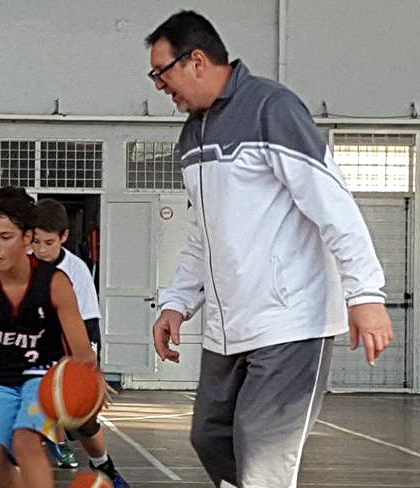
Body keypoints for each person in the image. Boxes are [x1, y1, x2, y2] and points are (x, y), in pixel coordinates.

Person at [146, 10, 393, 488]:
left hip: (289, 321)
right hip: (227, 326)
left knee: (262, 462)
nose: (159, 86)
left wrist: (366, 294)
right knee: (209, 437)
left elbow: (332, 204)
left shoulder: (271, 109)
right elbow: (203, 232)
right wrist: (177, 302)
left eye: (162, 73)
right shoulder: (191, 136)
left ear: (197, 60)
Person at [0, 187, 97, 488]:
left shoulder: (55, 283)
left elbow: (81, 348)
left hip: (42, 375)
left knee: (25, 441)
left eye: (5, 237)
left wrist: (90, 380)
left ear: (27, 238)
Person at [32, 198, 129, 488]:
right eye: (35, 241)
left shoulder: (77, 271)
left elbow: (89, 327)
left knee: (83, 421)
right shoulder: (21, 264)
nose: (41, 249)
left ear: (63, 237)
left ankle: (105, 466)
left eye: (49, 242)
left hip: (68, 351)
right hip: (30, 350)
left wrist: (91, 372)